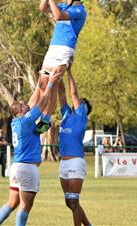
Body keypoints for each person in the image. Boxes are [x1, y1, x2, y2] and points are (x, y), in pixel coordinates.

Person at [0, 72, 60, 226]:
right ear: (20, 111)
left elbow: (46, 111)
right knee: (25, 206)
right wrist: (49, 84)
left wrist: (42, 84)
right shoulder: (25, 120)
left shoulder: (16, 123)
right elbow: (42, 102)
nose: (26, 104)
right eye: (23, 105)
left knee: (12, 203)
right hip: (27, 168)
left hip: (16, 167)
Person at [35, 0, 89, 133]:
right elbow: (43, 8)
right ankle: (38, 115)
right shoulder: (64, 6)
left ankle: (45, 120)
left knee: (54, 83)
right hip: (53, 49)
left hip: (65, 49)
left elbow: (58, 16)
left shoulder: (79, 10)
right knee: (43, 83)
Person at [57, 67, 93, 226]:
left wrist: (70, 71)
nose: (81, 103)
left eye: (84, 104)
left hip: (75, 162)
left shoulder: (81, 117)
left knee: (73, 202)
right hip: (63, 163)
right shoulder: (66, 114)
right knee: (69, 202)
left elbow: (73, 94)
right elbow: (63, 94)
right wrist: (58, 78)